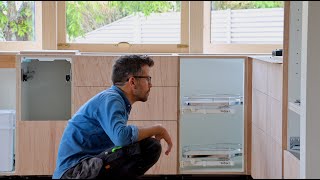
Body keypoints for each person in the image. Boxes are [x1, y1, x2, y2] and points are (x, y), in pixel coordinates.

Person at [52, 55, 173, 179]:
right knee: (149, 147)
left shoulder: (116, 99)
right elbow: (121, 137)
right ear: (132, 82)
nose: (150, 84)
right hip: (74, 172)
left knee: (142, 146)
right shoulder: (112, 99)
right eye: (148, 78)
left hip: (85, 167)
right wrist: (158, 129)